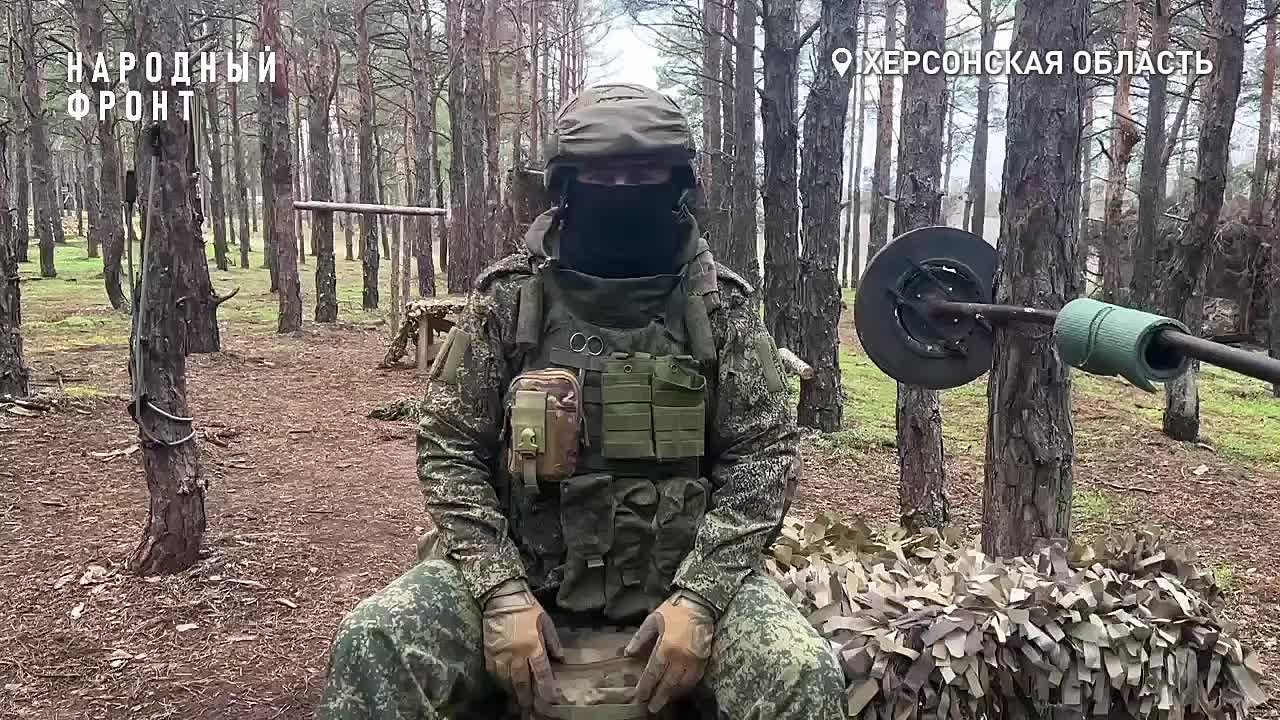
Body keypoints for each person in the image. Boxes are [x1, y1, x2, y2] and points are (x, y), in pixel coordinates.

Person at [317, 83, 844, 720]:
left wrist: (701, 599)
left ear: (676, 183)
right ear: (567, 184)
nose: (622, 191)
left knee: (802, 671)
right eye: (603, 175)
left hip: (681, 583)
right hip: (521, 575)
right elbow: (450, 446)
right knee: (374, 640)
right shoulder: (510, 299)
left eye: (642, 173)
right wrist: (500, 590)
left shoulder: (718, 308)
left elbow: (763, 456)